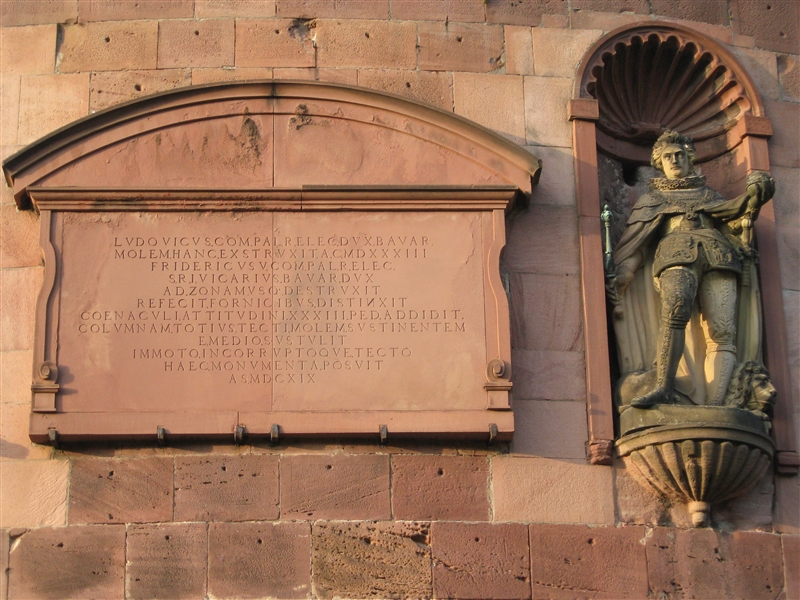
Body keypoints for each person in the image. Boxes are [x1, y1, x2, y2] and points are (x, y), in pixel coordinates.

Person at [610, 130, 774, 409]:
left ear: (689, 159)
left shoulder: (710, 196)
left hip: (720, 257)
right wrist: (625, 272)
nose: (674, 160)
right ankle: (663, 386)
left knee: (723, 332)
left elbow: (734, 223)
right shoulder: (652, 200)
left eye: (679, 155)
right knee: (674, 315)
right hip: (676, 255)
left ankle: (717, 403)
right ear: (659, 163)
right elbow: (638, 244)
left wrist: (755, 198)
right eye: (668, 157)